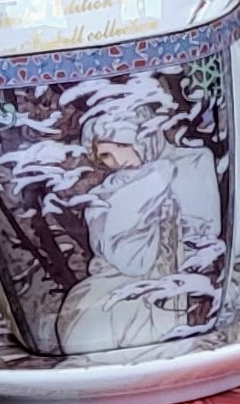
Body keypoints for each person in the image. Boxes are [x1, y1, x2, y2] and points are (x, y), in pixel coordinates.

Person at [51, 113, 226, 354]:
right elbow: (123, 255)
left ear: (143, 137)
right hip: (120, 275)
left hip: (181, 274)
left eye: (123, 146)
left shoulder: (191, 163)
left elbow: (205, 231)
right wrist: (150, 185)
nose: (118, 160)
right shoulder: (109, 190)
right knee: (84, 323)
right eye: (106, 155)